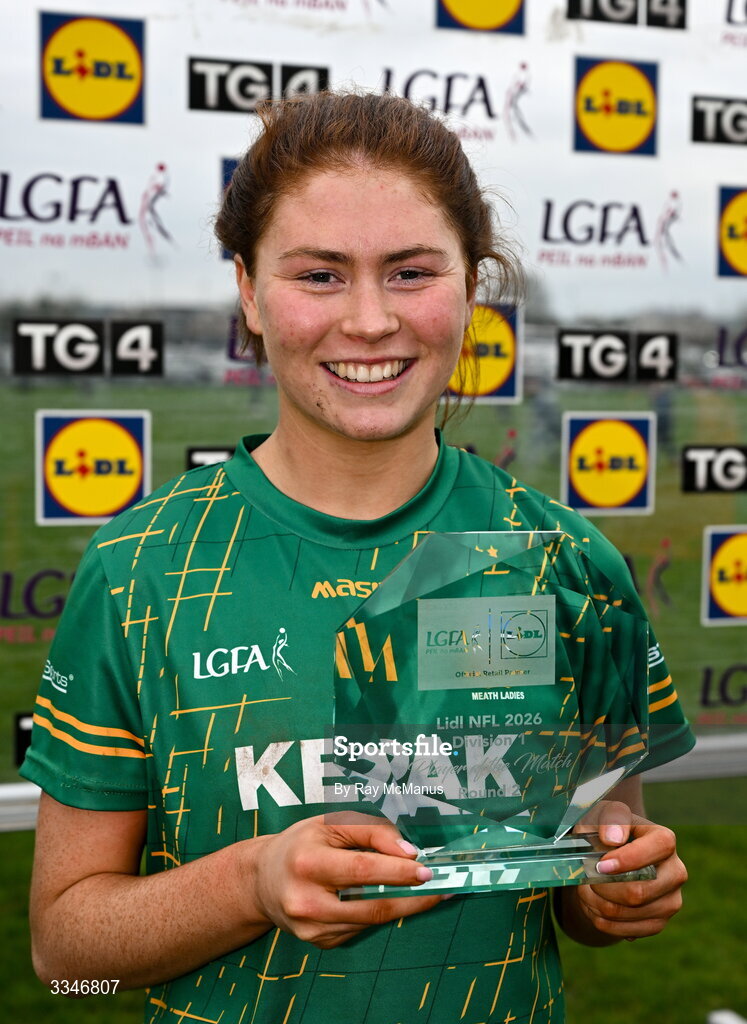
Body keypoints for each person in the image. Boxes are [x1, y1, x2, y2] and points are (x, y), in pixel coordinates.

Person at [22, 91, 694, 1024]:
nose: (371, 320)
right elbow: (66, 960)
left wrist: (611, 886)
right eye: (320, 275)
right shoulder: (140, 567)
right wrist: (252, 882)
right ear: (249, 292)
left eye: (411, 272)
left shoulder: (571, 564)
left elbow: (593, 866)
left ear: (471, 286)